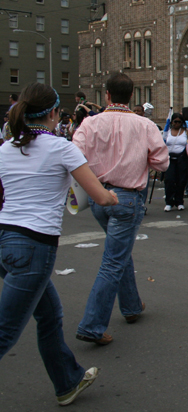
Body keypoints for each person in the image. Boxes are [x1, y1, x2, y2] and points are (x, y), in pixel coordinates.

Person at [0, 83, 119, 405]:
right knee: (5, 331)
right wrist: (111, 196)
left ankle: (67, 382)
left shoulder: (7, 147)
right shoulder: (61, 148)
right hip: (33, 246)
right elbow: (98, 196)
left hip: (5, 238)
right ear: (54, 113)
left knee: (50, 316)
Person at [70, 73, 168, 347]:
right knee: (113, 260)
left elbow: (74, 156)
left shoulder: (90, 123)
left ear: (107, 95)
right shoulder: (144, 124)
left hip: (98, 196)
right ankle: (92, 325)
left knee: (119, 252)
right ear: (132, 96)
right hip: (127, 198)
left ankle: (131, 306)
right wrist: (140, 158)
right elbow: (162, 162)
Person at [162, 113, 188, 211]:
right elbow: (161, 143)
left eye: (179, 122)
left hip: (182, 159)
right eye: (175, 122)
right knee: (169, 180)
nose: (177, 124)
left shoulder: (186, 131)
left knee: (181, 181)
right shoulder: (167, 131)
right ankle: (169, 202)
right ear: (172, 122)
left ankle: (179, 201)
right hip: (169, 159)